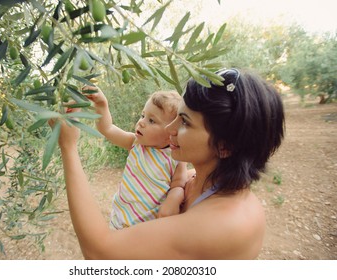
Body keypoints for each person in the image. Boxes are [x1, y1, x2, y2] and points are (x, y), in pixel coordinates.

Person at [50, 68, 285, 259]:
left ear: (224, 146)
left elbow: (98, 252)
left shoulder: (225, 223)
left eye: (184, 123)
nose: (170, 130)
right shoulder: (198, 178)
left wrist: (68, 147)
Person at [82, 87, 188, 229]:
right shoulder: (136, 144)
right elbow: (107, 128)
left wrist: (173, 201)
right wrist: (102, 105)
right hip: (119, 220)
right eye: (142, 115)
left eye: (151, 120)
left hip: (147, 227)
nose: (141, 122)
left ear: (171, 132)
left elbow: (179, 184)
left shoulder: (175, 157)